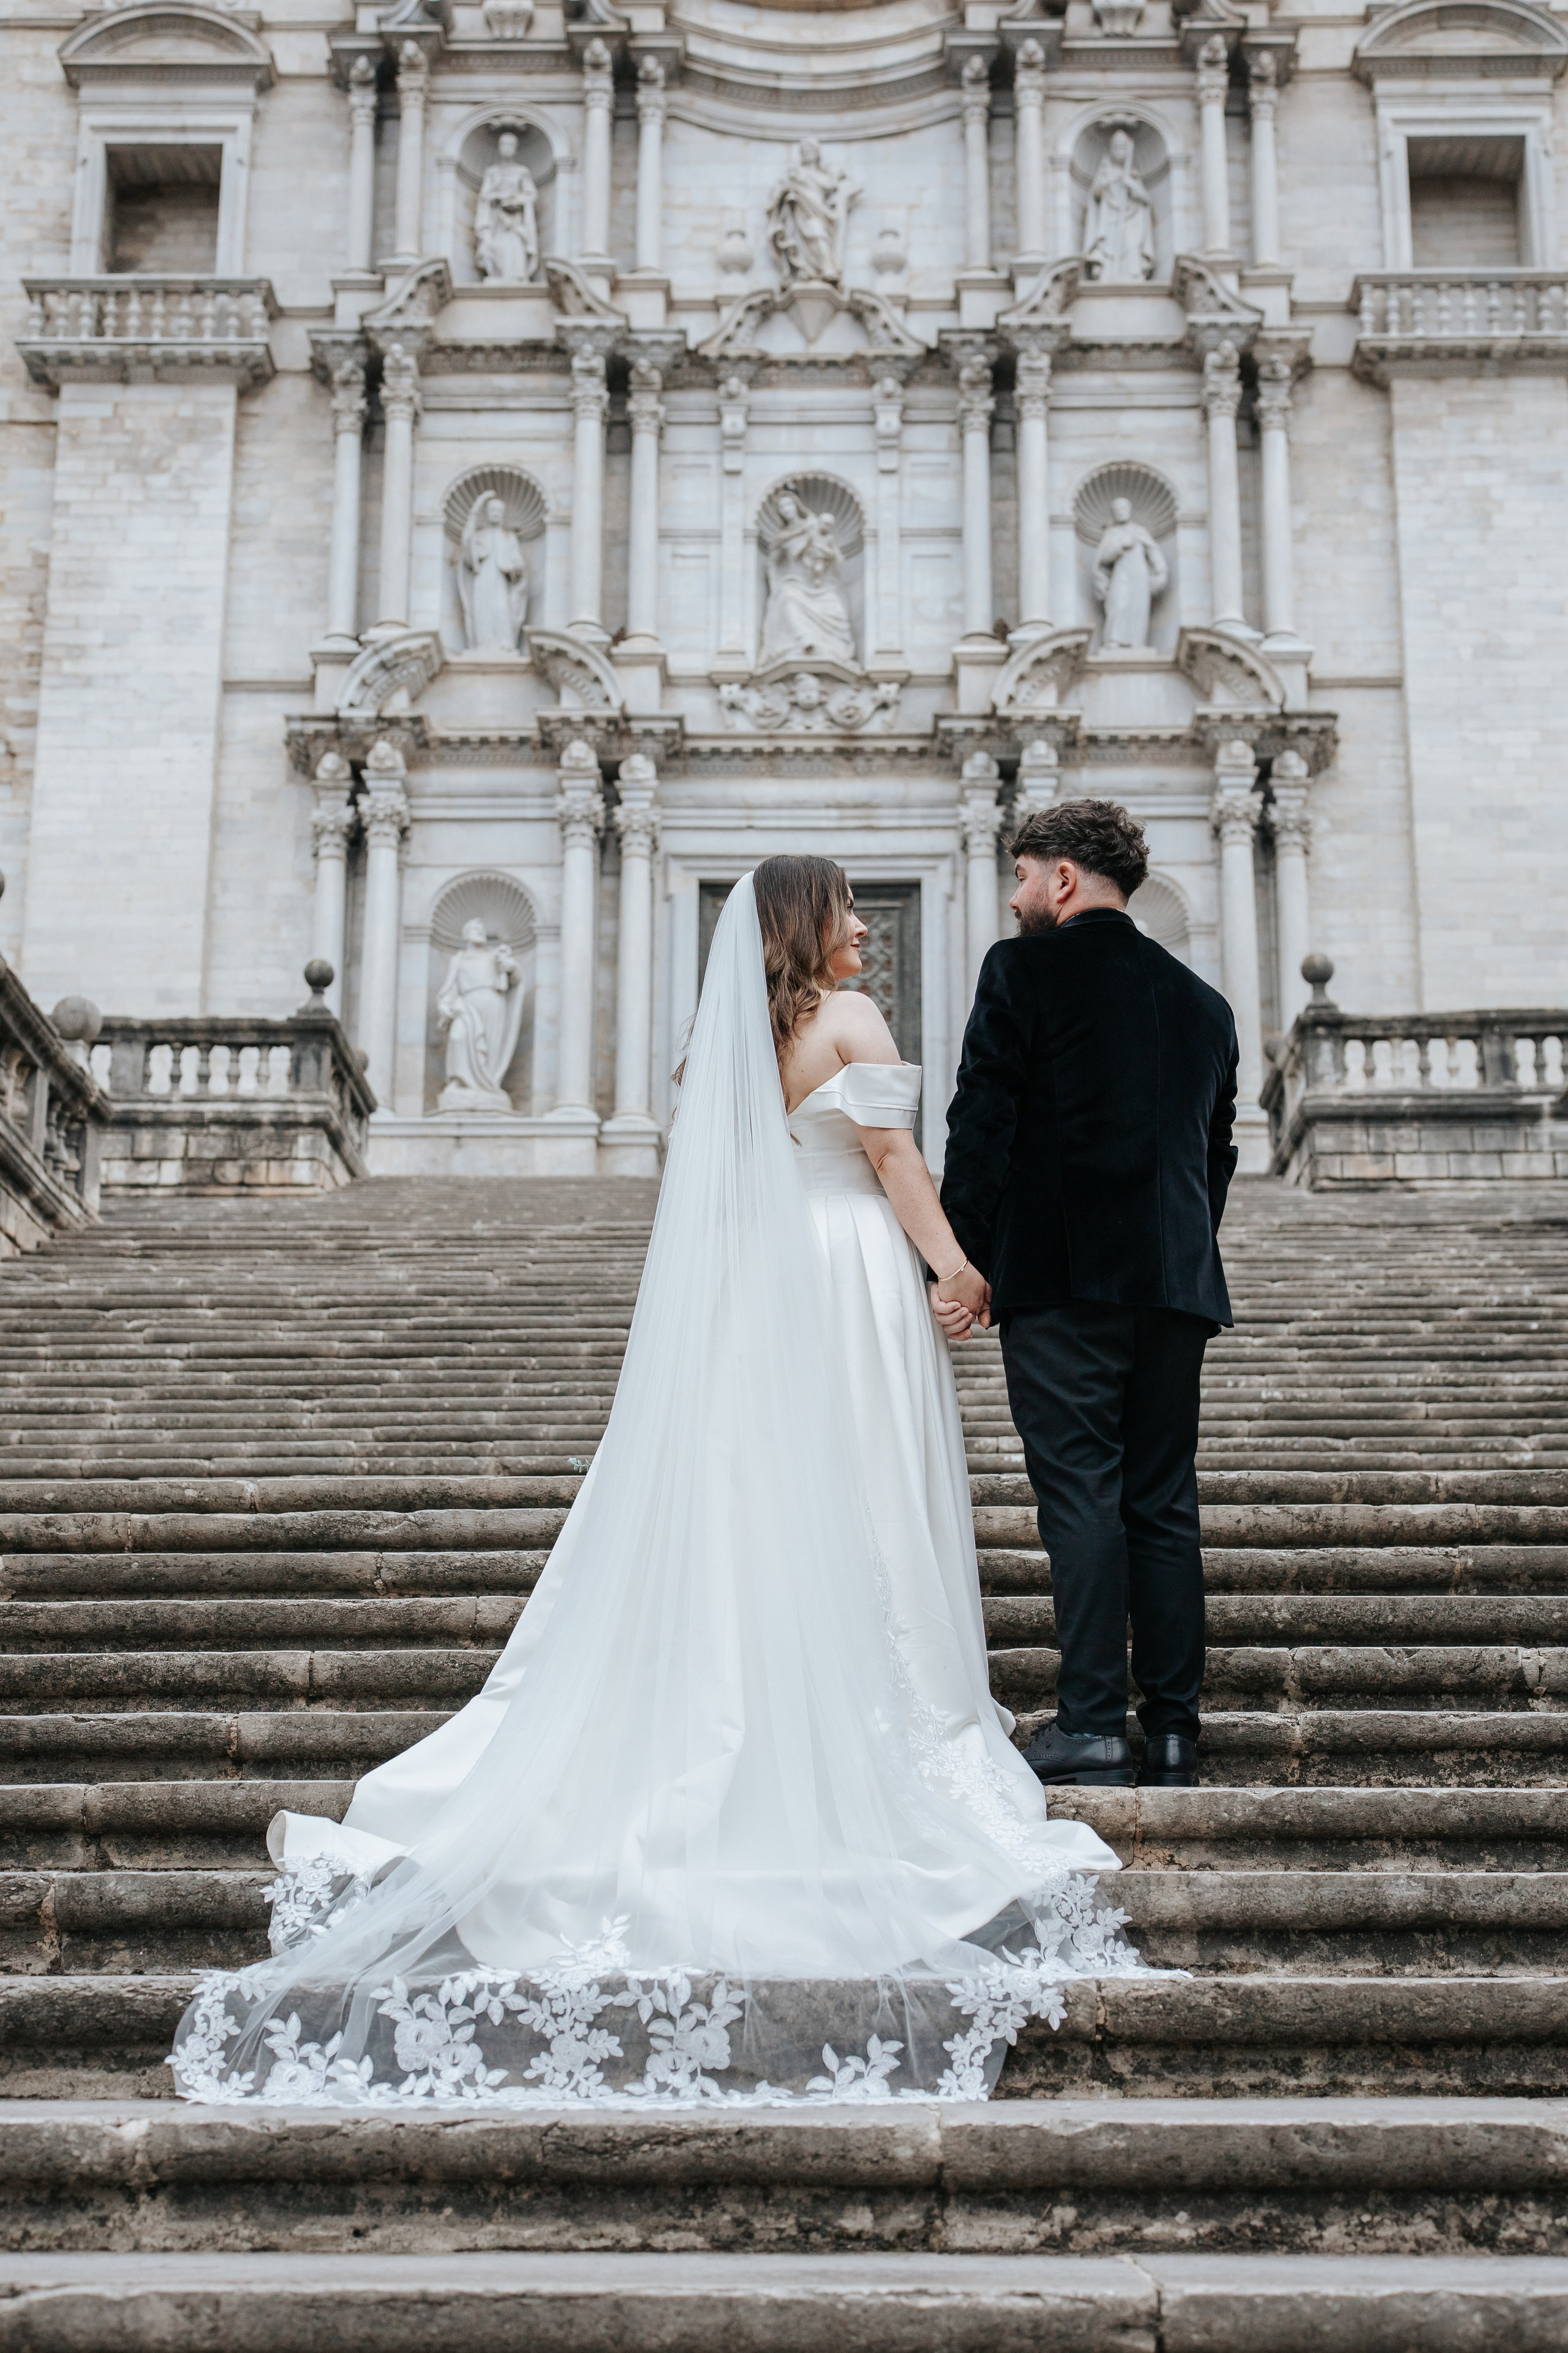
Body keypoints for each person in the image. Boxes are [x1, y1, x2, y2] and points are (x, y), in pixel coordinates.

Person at [169, 858, 1147, 2111]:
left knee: (766, 1500)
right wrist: (955, 1266)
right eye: (846, 909)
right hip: (850, 1271)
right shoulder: (850, 1018)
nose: (863, 927)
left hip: (769, 1279)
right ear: (808, 923)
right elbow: (895, 1154)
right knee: (866, 1487)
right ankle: (886, 1703)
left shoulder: (734, 1041)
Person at [941, 802, 1237, 1791]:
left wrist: (957, 1258)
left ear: (1062, 878)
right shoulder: (1205, 1004)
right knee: (1163, 1501)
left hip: (1062, 1279)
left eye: (1023, 874)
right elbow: (1214, 1157)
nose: (1016, 896)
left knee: (1081, 1492)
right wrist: (1179, 1252)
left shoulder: (1021, 970)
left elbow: (984, 1118)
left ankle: (1095, 1725)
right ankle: (1174, 1731)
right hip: (1176, 1287)